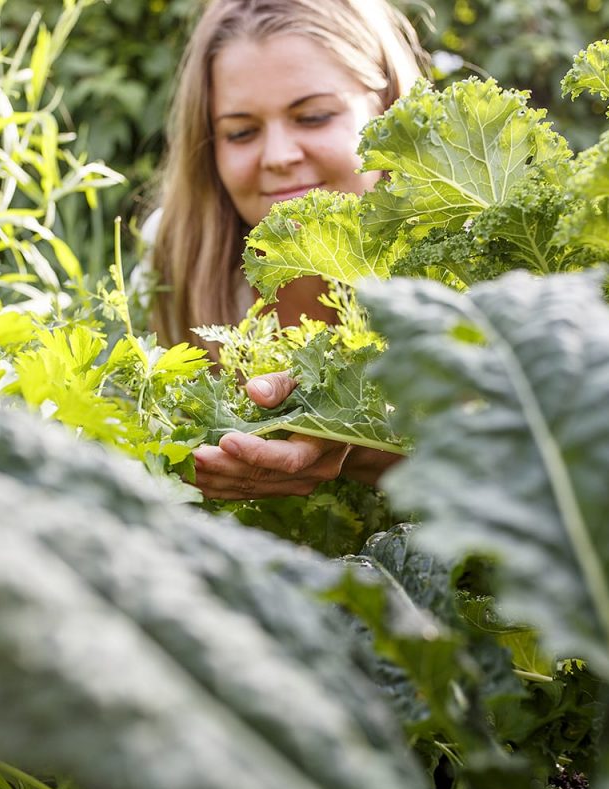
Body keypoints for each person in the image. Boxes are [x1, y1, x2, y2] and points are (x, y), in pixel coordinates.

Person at [144, 0, 428, 499]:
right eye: (242, 132)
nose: (278, 157)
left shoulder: (467, 263)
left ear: (387, 108)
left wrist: (362, 445)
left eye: (314, 117)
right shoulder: (172, 254)